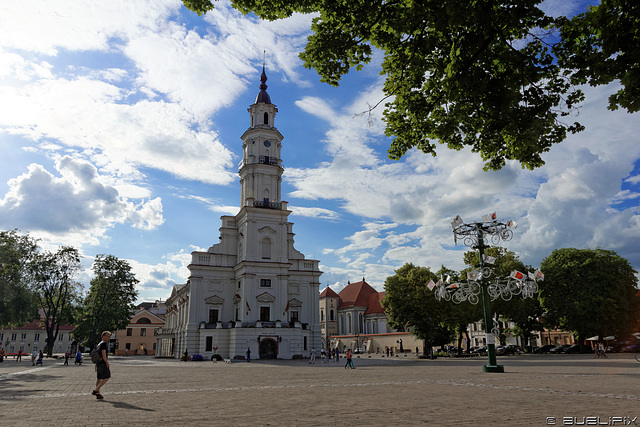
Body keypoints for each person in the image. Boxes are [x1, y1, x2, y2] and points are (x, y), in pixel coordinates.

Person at [91, 331, 112, 400]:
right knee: (107, 377)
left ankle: (98, 394)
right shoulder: (104, 344)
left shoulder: (99, 344)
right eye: (107, 336)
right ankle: (96, 390)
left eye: (109, 336)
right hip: (102, 363)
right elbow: (103, 354)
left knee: (99, 378)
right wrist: (106, 362)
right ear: (103, 336)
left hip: (98, 363)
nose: (108, 338)